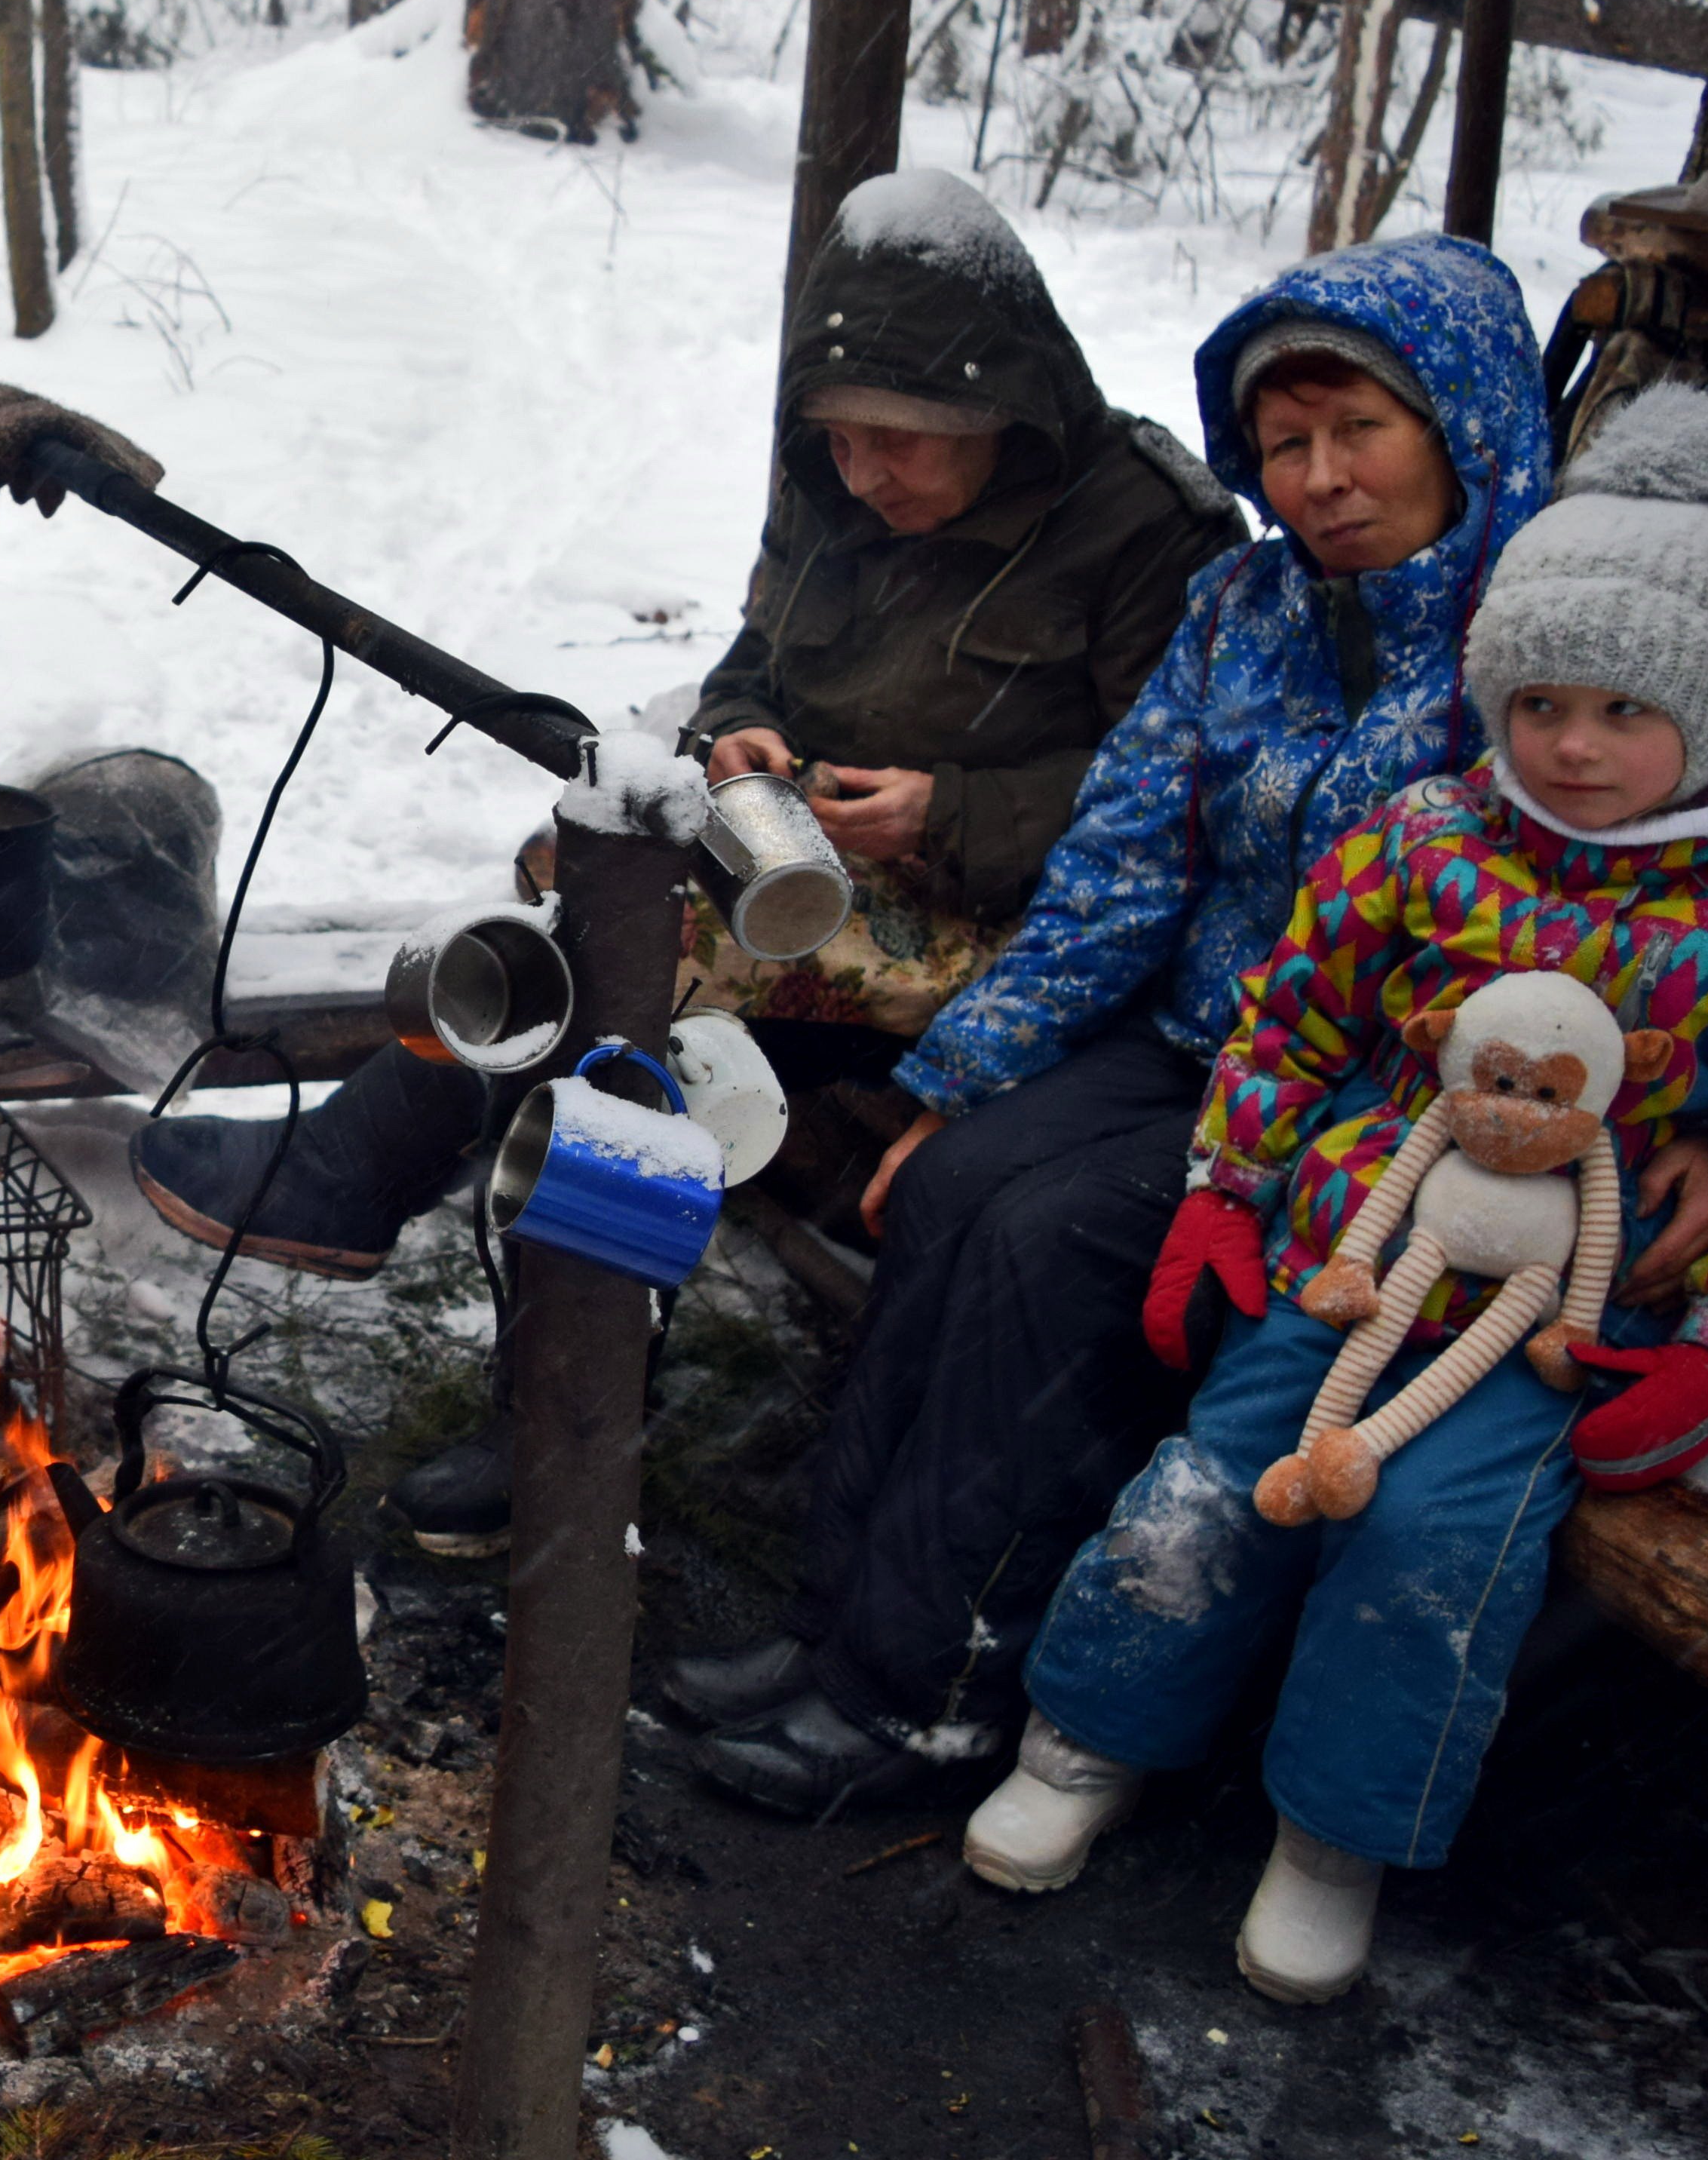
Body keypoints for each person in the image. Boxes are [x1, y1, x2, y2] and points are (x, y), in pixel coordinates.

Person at [667, 235, 1708, 1817]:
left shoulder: (1584, 629)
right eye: (1284, 445)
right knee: (959, 1185)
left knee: (1055, 1244)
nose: (1317, 479)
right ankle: (841, 1627)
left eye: (1355, 432)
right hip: (1201, 1035)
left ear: (1461, 422)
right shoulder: (1250, 605)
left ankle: (934, 1698)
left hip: (1393, 1113)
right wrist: (958, 1082)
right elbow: (1120, 861)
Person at [127, 174, 1239, 1548]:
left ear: (1000, 413)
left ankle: (474, 1298)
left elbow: (1188, 792)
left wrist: (956, 808)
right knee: (593, 875)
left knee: (646, 979)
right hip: (816, 874)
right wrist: (737, 732)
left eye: (900, 443)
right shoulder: (833, 484)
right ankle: (540, 1369)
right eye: (841, 442)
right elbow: (754, 662)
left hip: (1030, 935)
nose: (864, 474)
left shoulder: (1145, 530)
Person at [957, 388, 1708, 2002]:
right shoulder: (1428, 843)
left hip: (1556, 1324)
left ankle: (1334, 1835)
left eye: (1624, 707)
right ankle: (1089, 1732)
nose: (1573, 743)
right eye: (1536, 698)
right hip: (1351, 1253)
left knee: (1431, 1550)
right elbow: (1293, 1019)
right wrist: (1223, 1189)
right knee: (1216, 1479)